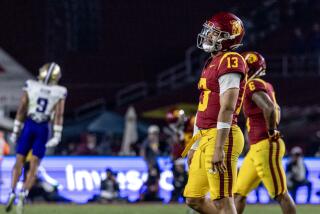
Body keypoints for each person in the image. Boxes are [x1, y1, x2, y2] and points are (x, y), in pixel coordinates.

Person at [182, 12, 247, 214]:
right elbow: (203, 106)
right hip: (205, 137)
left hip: (222, 137)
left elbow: (227, 108)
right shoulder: (212, 61)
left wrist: (219, 147)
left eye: (214, 33)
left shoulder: (231, 61)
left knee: (223, 200)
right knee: (193, 199)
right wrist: (194, 144)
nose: (208, 36)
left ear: (228, 38)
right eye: (209, 32)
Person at [234, 51, 296, 214]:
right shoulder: (266, 85)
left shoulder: (252, 85)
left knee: (281, 194)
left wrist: (271, 130)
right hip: (256, 148)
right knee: (239, 193)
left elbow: (269, 108)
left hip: (265, 144)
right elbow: (277, 110)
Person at [5, 62, 67, 214]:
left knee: (18, 161)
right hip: (43, 128)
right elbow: (58, 115)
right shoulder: (59, 91)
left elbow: (22, 108)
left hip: (30, 125)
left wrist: (15, 130)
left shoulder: (31, 85)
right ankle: (23, 194)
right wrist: (58, 134)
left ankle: (12, 191)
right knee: (34, 167)